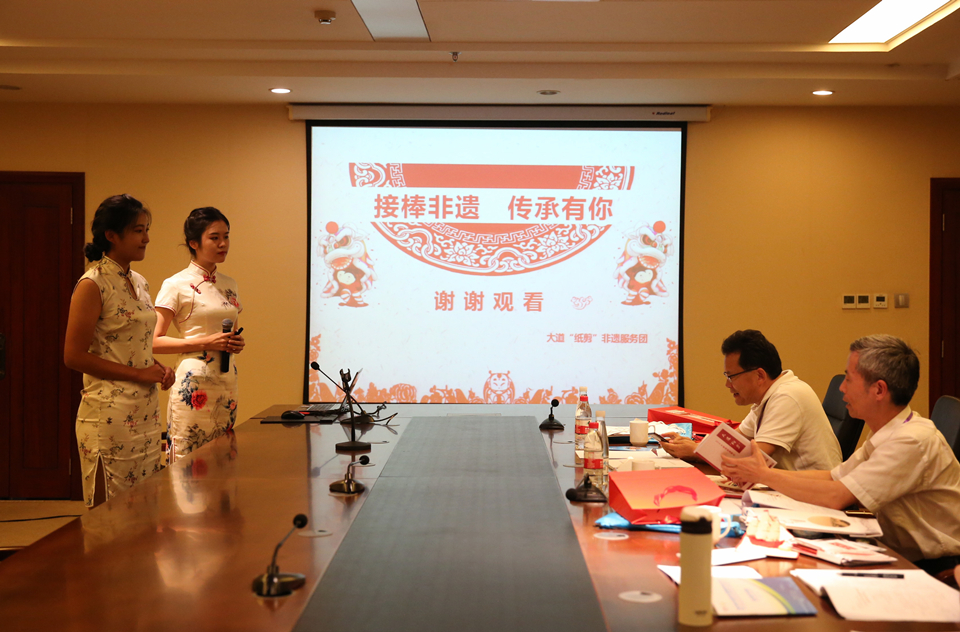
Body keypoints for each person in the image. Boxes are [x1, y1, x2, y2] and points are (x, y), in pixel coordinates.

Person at [722, 335, 960, 574]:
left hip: (932, 568)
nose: (842, 387)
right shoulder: (889, 430)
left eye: (849, 379)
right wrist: (762, 474)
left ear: (879, 390)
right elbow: (833, 476)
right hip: (893, 551)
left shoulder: (911, 440)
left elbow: (838, 496)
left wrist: (764, 475)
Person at [64, 194, 175, 507]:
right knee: (111, 517)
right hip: (109, 416)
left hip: (146, 414)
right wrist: (139, 374)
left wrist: (158, 369)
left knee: (145, 511)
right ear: (111, 235)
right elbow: (73, 356)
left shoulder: (139, 282)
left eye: (146, 230)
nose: (146, 238)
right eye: (138, 231)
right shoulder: (93, 283)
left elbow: (131, 344)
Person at [660, 329, 841, 471]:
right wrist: (694, 446)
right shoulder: (768, 397)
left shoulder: (787, 396)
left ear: (759, 375)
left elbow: (755, 458)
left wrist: (695, 451)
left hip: (813, 496)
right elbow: (734, 441)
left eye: (731, 376)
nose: (727, 385)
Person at [153, 207, 244, 461]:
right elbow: (154, 341)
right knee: (189, 464)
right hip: (194, 382)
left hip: (227, 379)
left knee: (223, 462)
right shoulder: (176, 284)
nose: (223, 244)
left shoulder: (229, 284)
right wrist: (207, 341)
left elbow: (231, 330)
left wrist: (235, 342)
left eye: (226, 236)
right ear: (194, 243)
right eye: (214, 238)